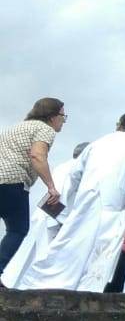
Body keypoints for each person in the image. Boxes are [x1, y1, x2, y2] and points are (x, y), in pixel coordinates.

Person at [18, 112, 125, 292]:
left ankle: (44, 280)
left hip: (85, 201)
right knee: (103, 248)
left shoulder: (98, 143)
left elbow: (75, 174)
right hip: (112, 206)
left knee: (71, 241)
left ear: (119, 124)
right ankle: (89, 288)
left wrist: (69, 202)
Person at [2, 141, 86, 288]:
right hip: (53, 216)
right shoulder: (75, 169)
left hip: (46, 213)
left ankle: (14, 284)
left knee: (27, 254)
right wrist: (62, 222)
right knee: (42, 256)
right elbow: (62, 194)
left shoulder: (63, 166)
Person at [0, 98, 66, 278]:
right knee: (17, 229)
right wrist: (51, 187)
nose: (63, 121)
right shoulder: (45, 129)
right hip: (13, 181)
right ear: (52, 116)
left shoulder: (16, 127)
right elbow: (37, 155)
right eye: (63, 116)